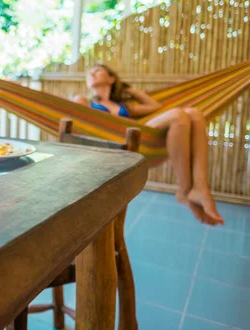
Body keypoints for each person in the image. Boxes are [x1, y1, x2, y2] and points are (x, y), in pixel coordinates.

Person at [74, 63, 224, 226]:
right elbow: (80, 122)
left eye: (97, 70)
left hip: (137, 137)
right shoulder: (84, 101)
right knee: (178, 115)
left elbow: (156, 107)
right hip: (114, 140)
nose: (92, 73)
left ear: (111, 79)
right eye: (90, 73)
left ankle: (201, 187)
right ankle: (185, 190)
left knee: (194, 114)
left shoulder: (125, 107)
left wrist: (131, 90)